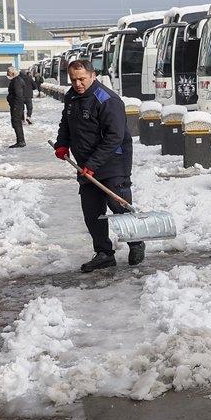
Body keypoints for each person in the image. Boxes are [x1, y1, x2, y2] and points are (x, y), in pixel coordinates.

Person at [52, 58, 144, 272]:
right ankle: (104, 253)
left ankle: (136, 242)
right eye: (73, 80)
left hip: (113, 163)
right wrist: (62, 144)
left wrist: (93, 164)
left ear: (93, 75)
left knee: (119, 206)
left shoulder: (108, 100)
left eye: (82, 79)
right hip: (86, 164)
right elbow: (66, 122)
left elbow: (114, 137)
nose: (77, 84)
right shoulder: (71, 96)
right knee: (92, 211)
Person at [6, 67, 31, 148]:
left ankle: (20, 141)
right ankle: (20, 140)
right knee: (16, 123)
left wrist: (16, 106)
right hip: (16, 105)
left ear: (12, 73)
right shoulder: (16, 80)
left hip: (16, 106)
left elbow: (18, 95)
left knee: (17, 123)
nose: (7, 74)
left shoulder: (17, 81)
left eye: (8, 73)